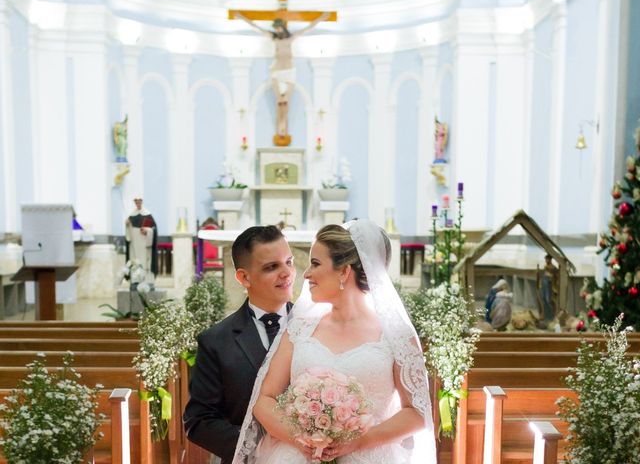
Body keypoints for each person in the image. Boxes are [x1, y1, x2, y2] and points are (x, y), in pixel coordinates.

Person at [233, 220, 437, 463]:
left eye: (316, 263)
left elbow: (416, 412)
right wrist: (300, 438)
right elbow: (263, 399)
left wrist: (361, 440)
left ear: (344, 271)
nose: (306, 273)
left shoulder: (396, 336)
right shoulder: (300, 328)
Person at [184, 225, 296, 463]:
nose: (287, 273)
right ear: (244, 277)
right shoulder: (215, 340)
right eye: (272, 267)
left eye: (289, 261)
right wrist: (255, 447)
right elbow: (199, 420)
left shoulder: (318, 328)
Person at [235, 12, 329, 137]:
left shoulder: (291, 38)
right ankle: (280, 127)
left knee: (286, 101)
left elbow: (308, 28)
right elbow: (256, 28)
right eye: (275, 28)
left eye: (278, 27)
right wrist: (241, 17)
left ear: (283, 27)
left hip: (289, 71)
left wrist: (321, 18)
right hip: (277, 71)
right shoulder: (273, 38)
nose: (277, 30)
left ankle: (284, 125)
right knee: (279, 101)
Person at [125, 197, 158, 279]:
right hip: (134, 242)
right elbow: (128, 231)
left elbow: (154, 229)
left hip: (144, 241)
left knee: (145, 260)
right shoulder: (131, 215)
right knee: (134, 260)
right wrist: (127, 224)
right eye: (136, 202)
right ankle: (135, 280)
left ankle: (145, 279)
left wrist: (147, 230)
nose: (138, 203)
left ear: (142, 202)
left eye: (139, 201)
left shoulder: (147, 214)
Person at [538, 254, 558, 323]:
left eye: (547, 259)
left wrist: (551, 278)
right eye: (546, 259)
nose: (546, 260)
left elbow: (555, 277)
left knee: (548, 300)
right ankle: (545, 315)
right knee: (543, 299)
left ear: (550, 259)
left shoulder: (553, 268)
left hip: (549, 285)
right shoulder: (545, 267)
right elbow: (543, 276)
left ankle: (551, 315)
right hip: (544, 284)